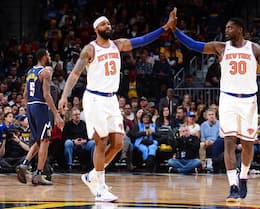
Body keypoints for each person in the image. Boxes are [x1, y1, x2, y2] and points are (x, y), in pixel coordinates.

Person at [58, 11, 176, 202]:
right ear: (97, 29)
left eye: (109, 24)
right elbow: (74, 75)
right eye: (105, 24)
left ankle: (92, 176)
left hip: (111, 99)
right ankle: (100, 188)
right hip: (95, 98)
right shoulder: (90, 49)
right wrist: (65, 96)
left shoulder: (118, 44)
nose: (108, 26)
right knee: (101, 141)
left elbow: (143, 40)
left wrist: (164, 28)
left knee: (119, 143)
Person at [171, 12, 260, 202]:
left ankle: (243, 176)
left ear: (240, 30)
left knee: (248, 144)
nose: (226, 30)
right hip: (228, 100)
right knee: (229, 142)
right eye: (225, 27)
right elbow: (193, 45)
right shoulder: (220, 48)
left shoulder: (254, 48)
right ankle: (233, 185)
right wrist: (175, 30)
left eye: (230, 27)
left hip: (248, 101)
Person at [16, 49, 64, 185]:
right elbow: (46, 95)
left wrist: (28, 110)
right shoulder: (45, 72)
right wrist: (56, 114)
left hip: (30, 106)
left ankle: (25, 164)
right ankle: (38, 174)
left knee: (38, 140)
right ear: (43, 57)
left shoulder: (30, 72)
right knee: (45, 141)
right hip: (41, 107)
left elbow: (25, 94)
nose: (50, 57)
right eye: (48, 55)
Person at [63, 107, 95, 171]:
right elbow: (64, 136)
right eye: (75, 115)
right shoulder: (68, 124)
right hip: (73, 143)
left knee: (93, 143)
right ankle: (69, 165)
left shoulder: (84, 124)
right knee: (68, 143)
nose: (77, 116)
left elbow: (89, 135)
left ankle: (93, 164)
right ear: (72, 116)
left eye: (78, 114)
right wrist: (73, 141)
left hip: (84, 143)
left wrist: (85, 140)